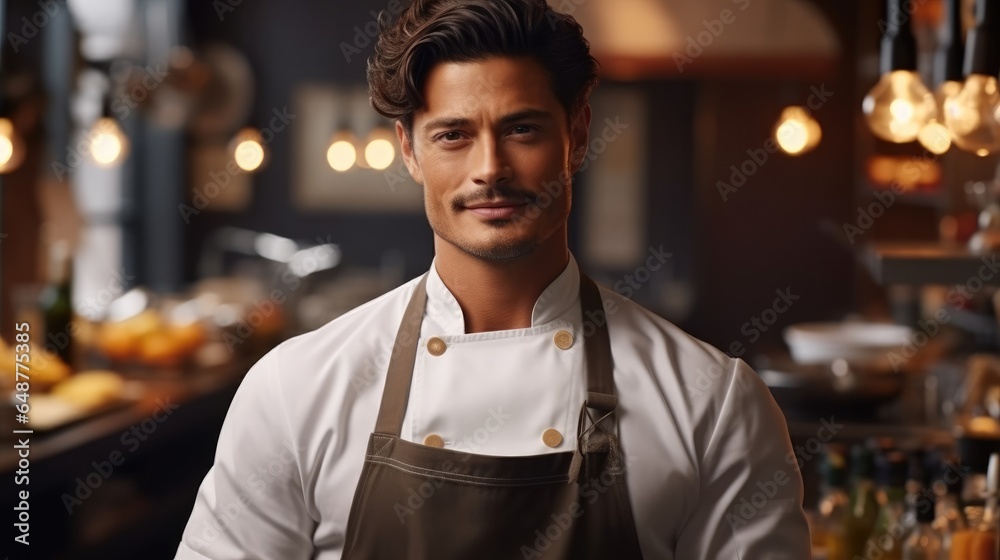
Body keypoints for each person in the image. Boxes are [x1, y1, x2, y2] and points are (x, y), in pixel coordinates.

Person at [175, 0, 811, 558]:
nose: (490, 168)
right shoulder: (294, 389)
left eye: (522, 129)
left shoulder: (713, 403)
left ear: (578, 135)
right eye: (453, 135)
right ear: (409, 151)